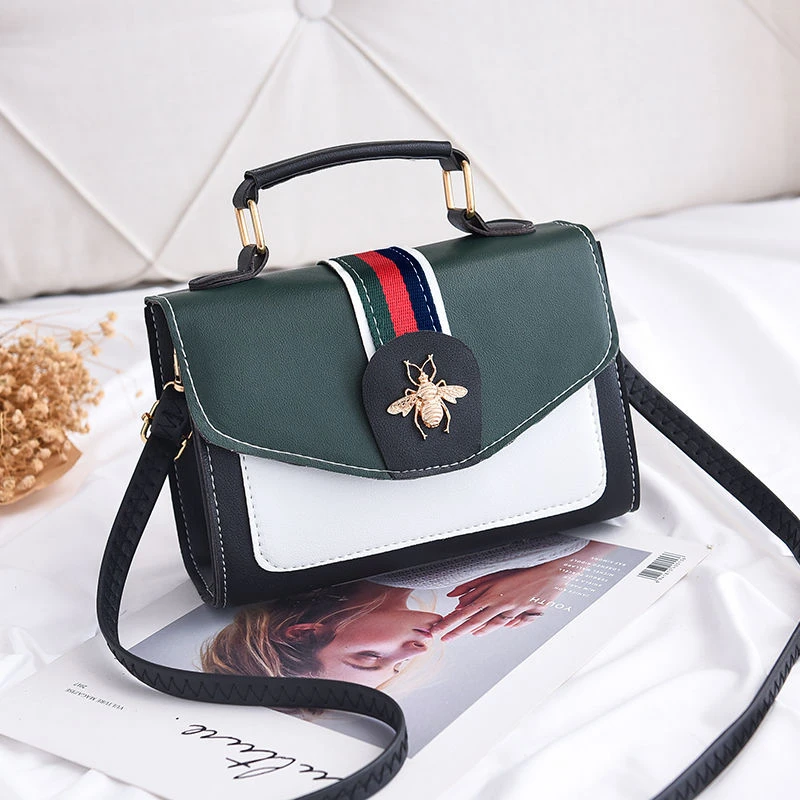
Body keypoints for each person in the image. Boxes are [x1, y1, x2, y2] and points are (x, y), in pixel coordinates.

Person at [201, 534, 616, 688]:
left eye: (371, 657)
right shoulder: (324, 555)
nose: (415, 652)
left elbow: (611, 526)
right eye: (396, 668)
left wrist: (559, 572)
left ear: (305, 631)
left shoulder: (433, 570)